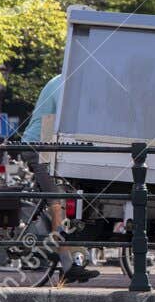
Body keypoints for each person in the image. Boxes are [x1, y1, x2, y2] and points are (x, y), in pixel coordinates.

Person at [19, 73, 97, 283]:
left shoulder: (62, 80)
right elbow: (68, 118)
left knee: (71, 198)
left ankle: (70, 257)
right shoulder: (64, 84)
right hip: (39, 145)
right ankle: (65, 260)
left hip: (48, 146)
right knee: (58, 200)